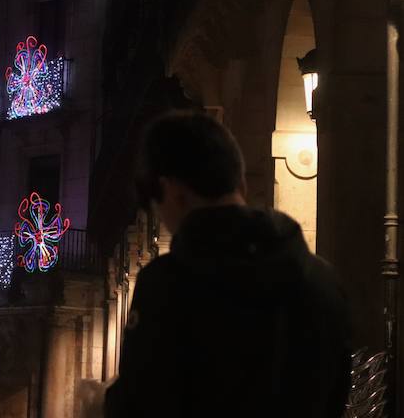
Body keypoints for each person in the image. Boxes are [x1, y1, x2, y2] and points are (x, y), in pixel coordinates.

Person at [104, 111, 352, 417]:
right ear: (241, 183)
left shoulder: (167, 285)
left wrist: (99, 402)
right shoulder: (325, 281)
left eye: (157, 205)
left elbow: (140, 404)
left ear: (171, 191)